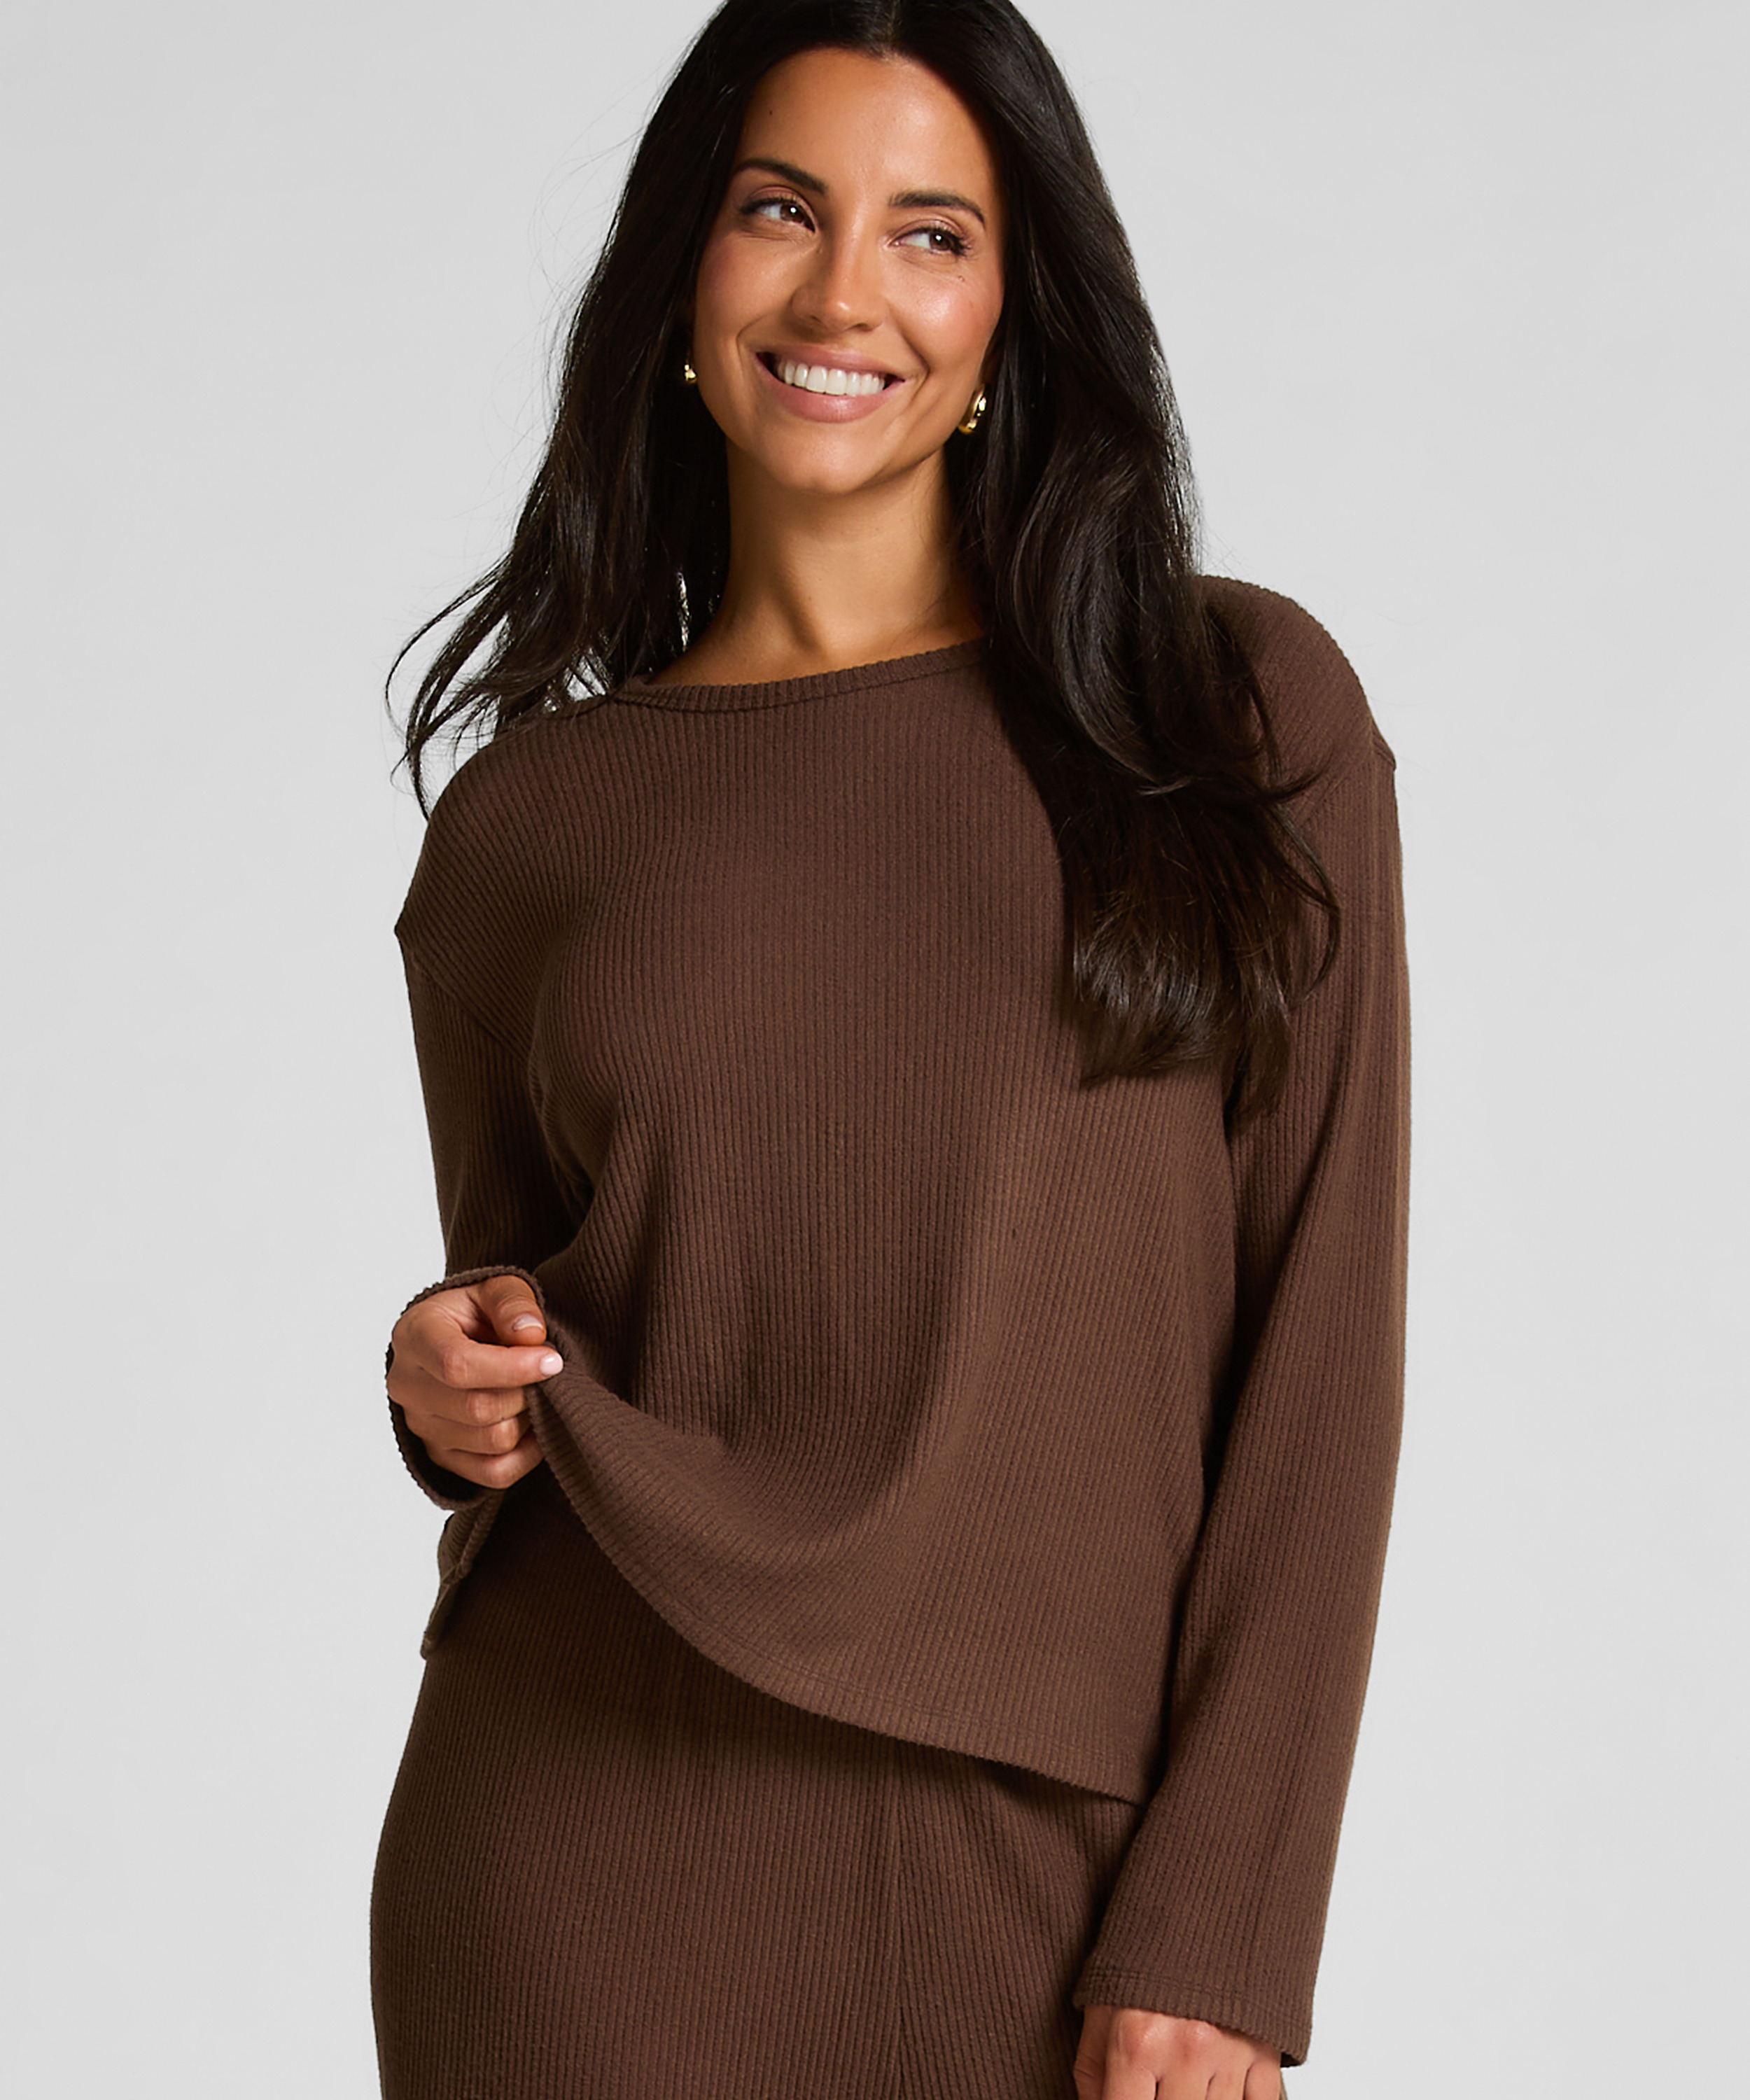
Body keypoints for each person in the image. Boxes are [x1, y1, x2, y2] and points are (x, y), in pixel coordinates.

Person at [370, 2, 1409, 2096]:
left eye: (932, 232)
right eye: (782, 210)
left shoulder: (1227, 714)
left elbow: (1321, 1347)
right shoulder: (529, 826)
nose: (844, 293)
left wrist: (1227, 1918)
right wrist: (439, 1385)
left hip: (1049, 1886)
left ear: (1014, 314)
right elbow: (533, 1314)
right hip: (575, 1857)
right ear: (686, 270)